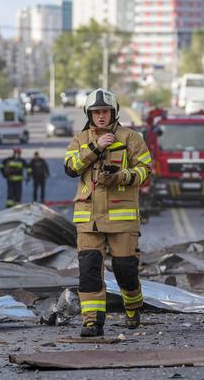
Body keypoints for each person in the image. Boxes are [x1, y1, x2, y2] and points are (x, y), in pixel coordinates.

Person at [64, 88, 152, 337]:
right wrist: (94, 146)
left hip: (121, 218)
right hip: (88, 218)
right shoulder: (80, 140)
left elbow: (145, 171)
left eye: (105, 111)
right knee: (89, 271)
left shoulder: (131, 138)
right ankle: (92, 322)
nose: (100, 116)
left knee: (125, 270)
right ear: (88, 114)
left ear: (113, 113)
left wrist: (121, 176)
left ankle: (133, 306)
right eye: (95, 112)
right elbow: (71, 168)